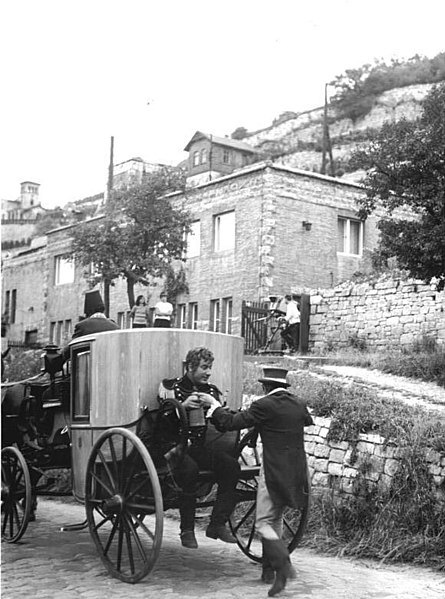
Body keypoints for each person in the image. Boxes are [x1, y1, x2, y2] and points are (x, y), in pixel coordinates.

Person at [201, 366, 313, 597]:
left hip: (274, 471)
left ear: (265, 387)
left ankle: (283, 564)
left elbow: (231, 423)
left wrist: (214, 407)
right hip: (297, 470)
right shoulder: (298, 404)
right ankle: (271, 571)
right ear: (283, 386)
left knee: (262, 523)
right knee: (277, 518)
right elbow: (296, 422)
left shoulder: (263, 405)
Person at [158, 346, 240, 549]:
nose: (209, 372)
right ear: (190, 367)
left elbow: (222, 426)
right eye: (204, 367)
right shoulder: (170, 388)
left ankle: (217, 524)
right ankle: (187, 530)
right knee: (190, 470)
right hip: (172, 448)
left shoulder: (211, 392)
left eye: (210, 367)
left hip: (196, 448)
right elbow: (160, 424)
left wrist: (215, 406)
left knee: (232, 467)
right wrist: (182, 407)